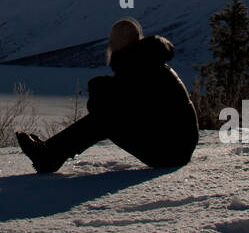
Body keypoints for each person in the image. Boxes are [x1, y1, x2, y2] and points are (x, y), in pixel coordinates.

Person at [16, 18, 199, 173]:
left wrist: (100, 90)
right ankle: (50, 154)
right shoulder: (146, 62)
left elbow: (113, 109)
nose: (110, 45)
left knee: (105, 120)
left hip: (170, 151)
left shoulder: (141, 66)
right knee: (106, 118)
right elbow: (131, 104)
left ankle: (49, 156)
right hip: (174, 145)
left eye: (113, 40)